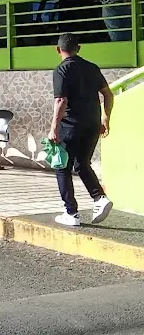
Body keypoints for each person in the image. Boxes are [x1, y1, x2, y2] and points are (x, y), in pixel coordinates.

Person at [48, 33, 114, 227]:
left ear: (58, 50)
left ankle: (71, 213)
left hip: (70, 125)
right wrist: (105, 118)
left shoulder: (61, 70)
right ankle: (100, 198)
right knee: (82, 163)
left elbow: (60, 100)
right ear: (79, 48)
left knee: (62, 167)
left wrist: (53, 128)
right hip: (92, 124)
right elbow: (108, 95)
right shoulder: (92, 67)